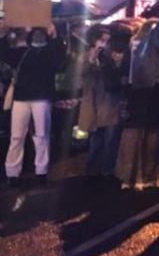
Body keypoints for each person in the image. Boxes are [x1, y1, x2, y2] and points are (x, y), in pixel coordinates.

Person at [4, 24, 65, 186]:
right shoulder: (23, 52)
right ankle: (12, 172)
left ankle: (41, 171)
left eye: (41, 33)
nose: (38, 36)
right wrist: (6, 33)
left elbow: (60, 56)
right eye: (35, 33)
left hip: (40, 98)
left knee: (41, 135)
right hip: (23, 97)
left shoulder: (50, 51)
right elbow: (4, 53)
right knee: (17, 136)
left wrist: (55, 35)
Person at [78, 34, 127, 179]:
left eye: (107, 40)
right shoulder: (89, 57)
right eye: (102, 39)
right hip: (97, 103)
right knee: (98, 138)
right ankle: (95, 169)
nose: (104, 44)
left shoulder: (111, 58)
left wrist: (117, 64)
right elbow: (82, 74)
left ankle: (105, 170)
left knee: (108, 139)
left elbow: (119, 78)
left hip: (109, 103)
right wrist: (92, 59)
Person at [115, 74, 159, 190]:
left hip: (143, 113)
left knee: (140, 146)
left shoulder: (136, 69)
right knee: (143, 146)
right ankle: (140, 178)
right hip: (147, 114)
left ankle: (135, 178)